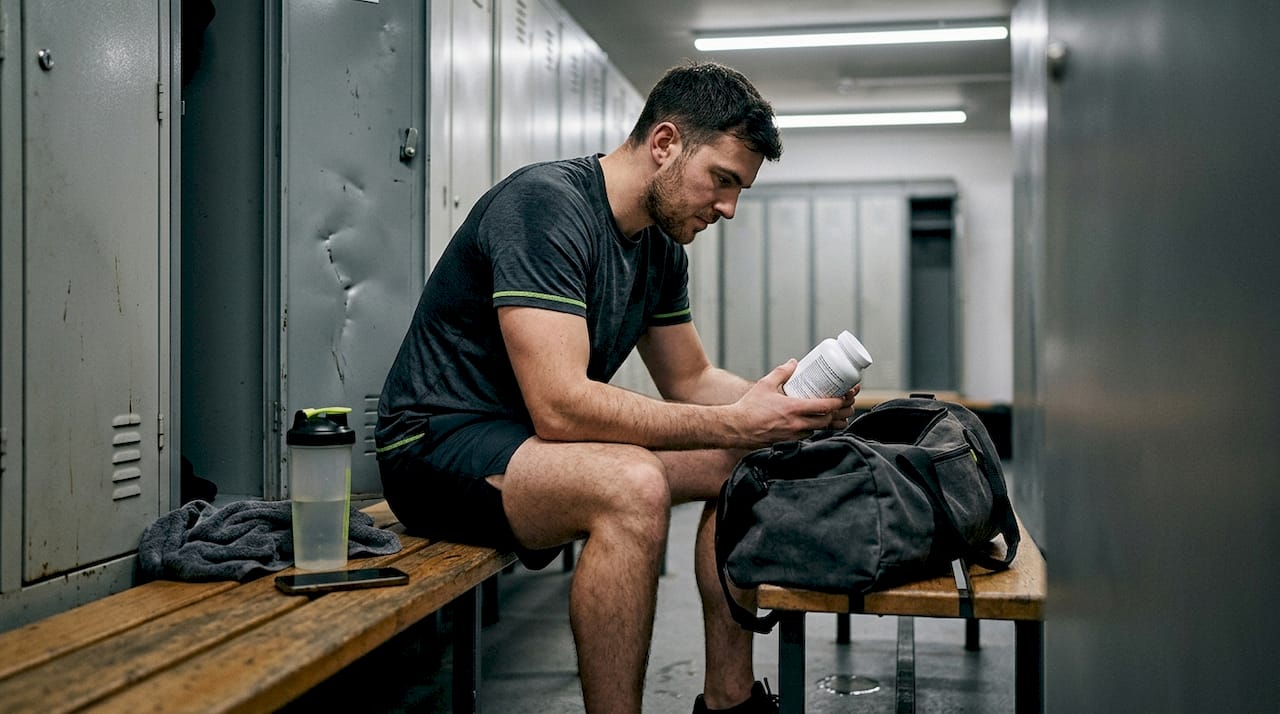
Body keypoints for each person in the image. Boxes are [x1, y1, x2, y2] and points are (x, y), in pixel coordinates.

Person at [375, 60, 857, 714]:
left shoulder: (660, 249)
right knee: (631, 486)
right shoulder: (546, 205)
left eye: (739, 189)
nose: (729, 208)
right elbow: (562, 407)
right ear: (663, 144)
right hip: (434, 447)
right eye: (721, 180)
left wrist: (787, 408)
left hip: (524, 447)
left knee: (746, 464)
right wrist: (734, 421)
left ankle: (729, 700)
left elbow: (690, 378)